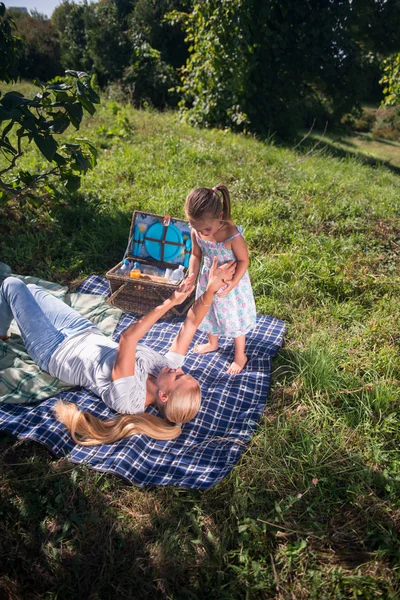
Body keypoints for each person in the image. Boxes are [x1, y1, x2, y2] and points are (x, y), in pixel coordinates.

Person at [0, 258, 236, 445]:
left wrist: (170, 303)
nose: (178, 368)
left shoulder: (129, 399)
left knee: (13, 285)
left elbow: (128, 338)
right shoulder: (164, 369)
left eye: (179, 376)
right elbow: (191, 324)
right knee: (31, 289)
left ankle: (2, 332)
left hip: (53, 349)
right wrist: (212, 288)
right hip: (83, 331)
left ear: (163, 395)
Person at [184, 184, 257, 374]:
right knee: (208, 311)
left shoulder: (232, 235)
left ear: (221, 215)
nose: (203, 233)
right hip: (208, 280)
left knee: (233, 317)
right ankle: (212, 342)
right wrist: (192, 274)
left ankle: (240, 355)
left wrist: (232, 284)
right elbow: (196, 254)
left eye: (207, 228)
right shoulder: (197, 231)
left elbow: (243, 260)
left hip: (230, 284)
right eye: (197, 228)